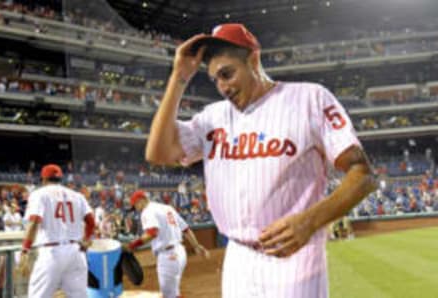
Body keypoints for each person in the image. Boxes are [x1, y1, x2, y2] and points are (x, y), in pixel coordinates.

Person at [145, 23, 376, 297]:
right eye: (215, 79)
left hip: (295, 258)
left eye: (227, 74)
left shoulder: (309, 98)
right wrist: (179, 77)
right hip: (238, 258)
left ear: (253, 59)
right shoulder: (213, 116)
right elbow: (158, 153)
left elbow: (363, 174)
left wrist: (310, 221)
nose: (222, 87)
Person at [17, 164, 95, 298]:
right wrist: (87, 239)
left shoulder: (39, 194)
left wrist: (25, 249)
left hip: (52, 252)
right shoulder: (77, 195)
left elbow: (34, 221)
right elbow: (91, 221)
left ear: (43, 179)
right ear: (60, 179)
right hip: (76, 252)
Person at [123, 190, 209, 298]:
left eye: (135, 205)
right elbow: (186, 229)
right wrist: (196, 246)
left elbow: (152, 232)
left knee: (168, 295)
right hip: (180, 253)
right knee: (173, 293)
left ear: (142, 200)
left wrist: (131, 246)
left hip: (168, 256)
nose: (135, 209)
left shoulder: (147, 211)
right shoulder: (167, 208)